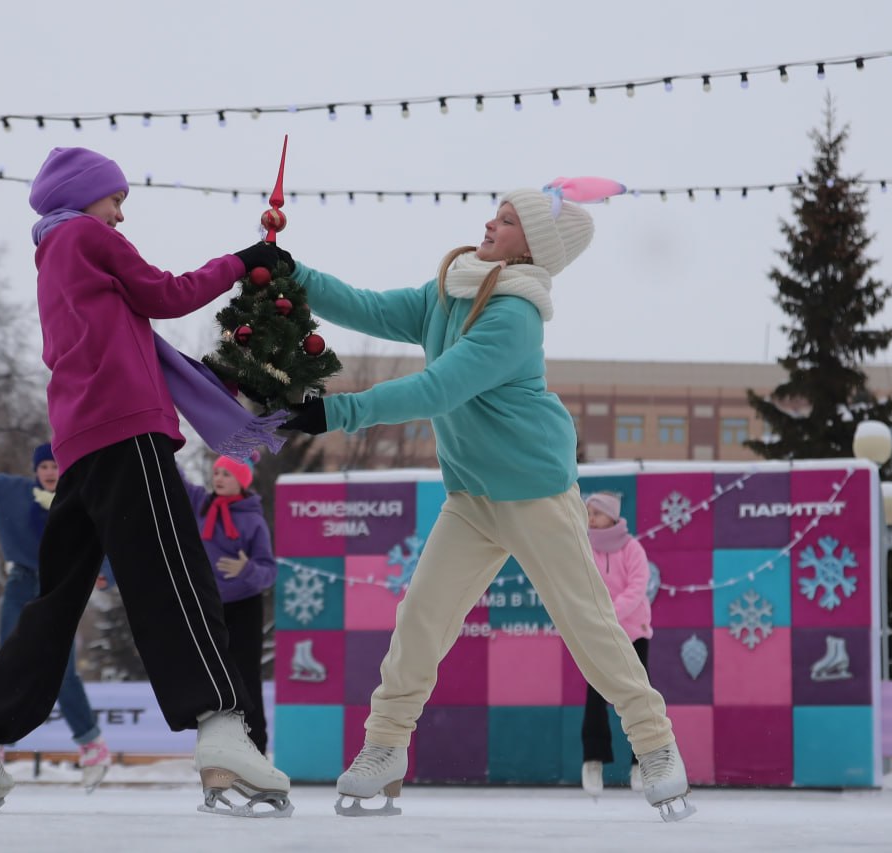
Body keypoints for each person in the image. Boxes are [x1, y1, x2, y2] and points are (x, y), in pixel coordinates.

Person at [280, 183, 695, 822]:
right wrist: (294, 274)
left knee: (588, 624)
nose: (489, 224)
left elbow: (440, 388)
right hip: (471, 496)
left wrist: (337, 411)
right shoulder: (448, 290)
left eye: (506, 220)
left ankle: (656, 745)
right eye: (495, 215)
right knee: (421, 617)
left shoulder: (513, 316)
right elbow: (366, 307)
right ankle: (385, 746)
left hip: (535, 493)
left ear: (534, 247)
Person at [0, 146, 294, 817]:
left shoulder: (51, 256)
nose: (121, 212)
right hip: (127, 430)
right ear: (83, 194)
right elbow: (166, 293)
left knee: (57, 598)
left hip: (80, 443)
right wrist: (242, 263)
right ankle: (219, 731)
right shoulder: (88, 236)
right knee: (175, 575)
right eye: (116, 197)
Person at [0, 410, 111, 791]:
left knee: (62, 670)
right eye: (45, 466)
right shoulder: (12, 490)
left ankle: (93, 745)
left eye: (56, 465)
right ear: (36, 470)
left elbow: (104, 534)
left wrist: (107, 574)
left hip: (60, 587)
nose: (51, 472)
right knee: (8, 662)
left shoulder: (77, 497)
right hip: (20, 584)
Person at [180, 454, 277, 755]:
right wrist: (159, 440)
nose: (219, 478)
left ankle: (256, 749)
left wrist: (246, 570)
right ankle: (217, 748)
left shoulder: (253, 520)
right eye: (217, 472)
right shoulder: (201, 504)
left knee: (246, 678)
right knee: (210, 677)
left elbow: (269, 571)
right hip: (207, 605)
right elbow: (176, 480)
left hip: (244, 607)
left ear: (242, 481)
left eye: (227, 474)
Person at [579, 491, 653, 798]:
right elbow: (582, 584)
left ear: (612, 515)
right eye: (588, 512)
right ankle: (593, 760)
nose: (591, 518)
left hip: (633, 632)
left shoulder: (632, 548)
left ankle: (642, 762)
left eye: (596, 512)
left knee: (638, 697)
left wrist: (612, 614)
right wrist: (600, 620)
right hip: (600, 634)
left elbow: (638, 586)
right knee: (595, 697)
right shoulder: (584, 549)